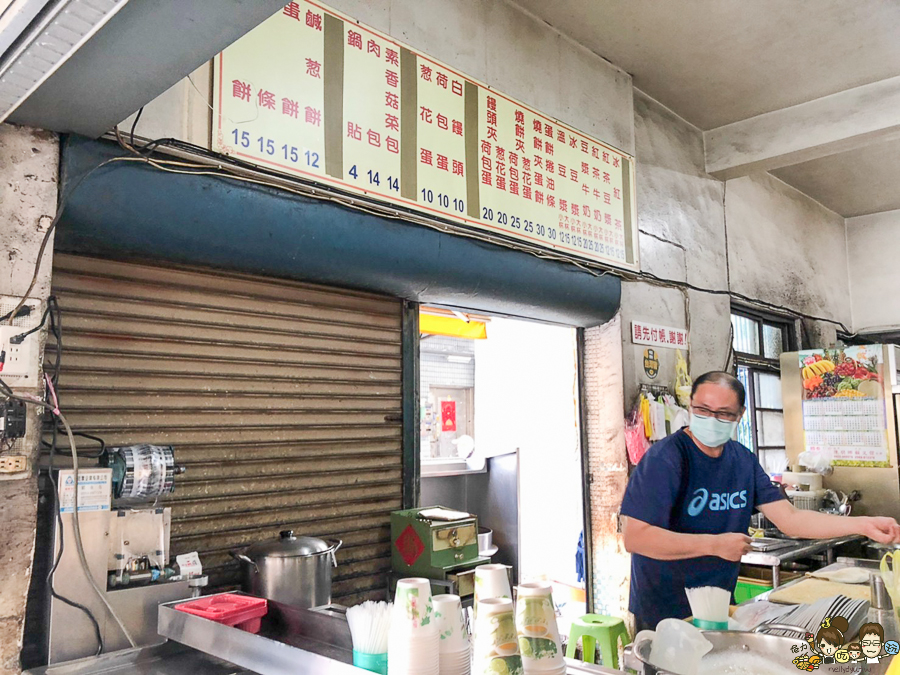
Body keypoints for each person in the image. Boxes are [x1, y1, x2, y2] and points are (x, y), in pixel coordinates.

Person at [621, 371, 900, 632]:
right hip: (666, 610)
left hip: (718, 604)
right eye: (702, 410)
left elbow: (790, 520)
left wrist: (863, 524)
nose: (711, 419)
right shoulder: (666, 459)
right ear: (691, 407)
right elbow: (636, 538)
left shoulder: (742, 460)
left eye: (723, 414)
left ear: (740, 415)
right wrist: (715, 544)